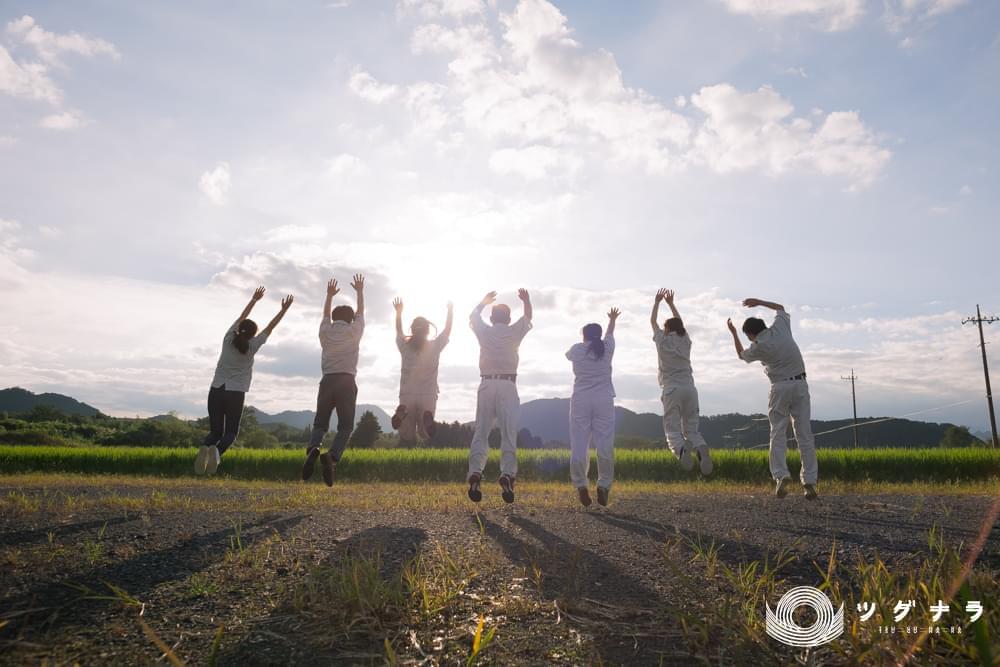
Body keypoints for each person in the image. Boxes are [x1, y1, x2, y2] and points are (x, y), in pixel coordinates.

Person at [726, 298, 818, 499]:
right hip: (801, 384)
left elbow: (742, 355)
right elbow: (781, 308)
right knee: (804, 435)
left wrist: (733, 334)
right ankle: (809, 482)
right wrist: (758, 302)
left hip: (779, 388)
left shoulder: (759, 345)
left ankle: (781, 476)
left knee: (777, 434)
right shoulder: (781, 327)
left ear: (751, 335)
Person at [196, 286, 293, 475]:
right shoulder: (253, 345)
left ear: (239, 329)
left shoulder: (228, 338)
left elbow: (242, 316)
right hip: (235, 393)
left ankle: (206, 446)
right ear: (253, 334)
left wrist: (254, 300)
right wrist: (283, 310)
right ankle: (217, 451)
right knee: (230, 433)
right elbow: (270, 327)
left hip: (216, 390)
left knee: (215, 432)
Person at [467, 289, 533, 503]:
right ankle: (507, 475)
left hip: (486, 384)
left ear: (491, 318)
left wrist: (483, 302)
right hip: (507, 385)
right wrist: (526, 300)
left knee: (481, 432)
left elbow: (473, 316)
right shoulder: (514, 331)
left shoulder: (484, 331)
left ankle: (476, 472)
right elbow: (528, 317)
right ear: (509, 318)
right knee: (508, 434)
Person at [302, 274, 365, 487]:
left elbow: (325, 314)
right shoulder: (354, 331)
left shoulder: (325, 331)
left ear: (335, 318)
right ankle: (332, 456)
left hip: (327, 380)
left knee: (320, 422)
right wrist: (359, 291)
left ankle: (313, 449)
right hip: (347, 381)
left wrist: (328, 295)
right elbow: (361, 313)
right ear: (350, 319)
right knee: (345, 426)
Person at [651, 289, 713, 475]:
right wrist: (671, 304)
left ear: (667, 329)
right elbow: (681, 323)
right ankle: (700, 447)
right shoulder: (685, 339)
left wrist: (657, 302)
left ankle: (681, 451)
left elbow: (653, 322)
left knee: (672, 429)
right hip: (690, 389)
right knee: (692, 429)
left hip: (671, 389)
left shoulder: (662, 340)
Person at [566, 308, 620, 507]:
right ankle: (604, 485)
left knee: (579, 443)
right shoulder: (606, 348)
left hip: (581, 398)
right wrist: (612, 320)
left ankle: (581, 485)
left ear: (584, 335)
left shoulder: (577, 349)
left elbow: (568, 355)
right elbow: (610, 334)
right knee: (604, 442)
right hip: (603, 398)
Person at [390, 298, 454, 445]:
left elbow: (399, 331)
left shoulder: (404, 347)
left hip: (407, 394)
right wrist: (450, 310)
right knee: (424, 434)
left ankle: (402, 414)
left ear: (412, 330)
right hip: (428, 394)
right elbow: (447, 330)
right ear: (428, 331)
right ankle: (426, 419)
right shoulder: (435, 346)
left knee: (406, 434)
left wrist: (399, 313)